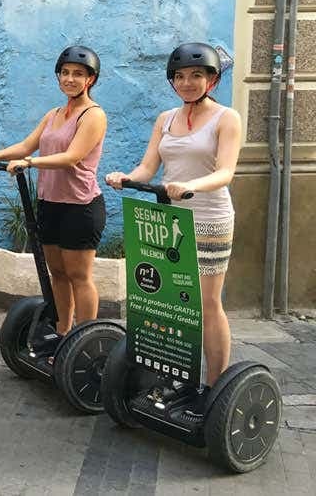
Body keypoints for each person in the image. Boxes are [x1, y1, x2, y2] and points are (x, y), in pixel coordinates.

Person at [106, 42, 241, 407]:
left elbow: (226, 172)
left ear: (211, 79)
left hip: (210, 220)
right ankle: (180, 377)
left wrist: (190, 187)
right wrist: (127, 177)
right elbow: (149, 167)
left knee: (207, 304)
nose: (188, 83)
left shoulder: (226, 118)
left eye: (196, 76)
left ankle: (213, 390)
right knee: (172, 302)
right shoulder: (165, 119)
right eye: (180, 77)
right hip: (170, 222)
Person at [0, 46, 108, 335]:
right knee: (57, 274)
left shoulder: (93, 115)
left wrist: (30, 162)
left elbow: (71, 157)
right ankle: (62, 335)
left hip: (80, 206)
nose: (70, 79)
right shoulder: (54, 114)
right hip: (50, 204)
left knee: (79, 276)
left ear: (91, 80)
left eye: (78, 74)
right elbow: (26, 145)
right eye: (65, 73)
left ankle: (85, 340)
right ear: (58, 76)